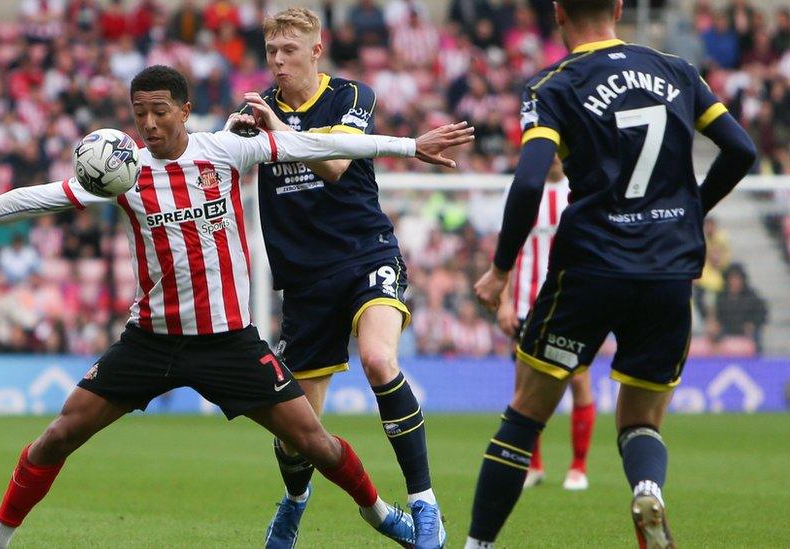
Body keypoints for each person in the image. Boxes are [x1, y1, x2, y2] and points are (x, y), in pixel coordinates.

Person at [0, 65, 473, 549]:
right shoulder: (122, 172)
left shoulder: (225, 152)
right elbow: (34, 199)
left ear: (185, 110)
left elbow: (321, 144)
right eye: (139, 111)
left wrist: (408, 146)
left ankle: (383, 517)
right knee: (57, 436)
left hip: (228, 341)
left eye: (160, 111)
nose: (148, 123)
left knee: (314, 442)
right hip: (149, 342)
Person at [468, 1, 756, 548]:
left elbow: (530, 184)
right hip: (668, 271)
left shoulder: (553, 86)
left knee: (525, 415)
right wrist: (691, 210)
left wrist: (500, 270)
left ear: (557, 12)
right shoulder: (677, 70)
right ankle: (647, 486)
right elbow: (740, 149)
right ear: (620, 7)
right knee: (640, 421)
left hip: (591, 268)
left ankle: (477, 544)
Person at [228, 8, 446, 548]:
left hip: (365, 253)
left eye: (289, 51)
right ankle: (296, 502)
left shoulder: (351, 97)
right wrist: (230, 140)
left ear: (315, 50)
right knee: (297, 431)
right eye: (272, 52)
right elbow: (219, 168)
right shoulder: (254, 110)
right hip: (305, 281)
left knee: (378, 360)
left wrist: (276, 129)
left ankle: (425, 505)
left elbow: (335, 165)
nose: (278, 62)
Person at [496, 156, 595, 491]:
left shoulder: (580, 190)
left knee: (578, 383)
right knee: (524, 390)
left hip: (570, 306)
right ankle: (532, 466)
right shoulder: (524, 190)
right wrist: (505, 303)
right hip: (525, 307)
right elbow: (506, 251)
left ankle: (578, 468)